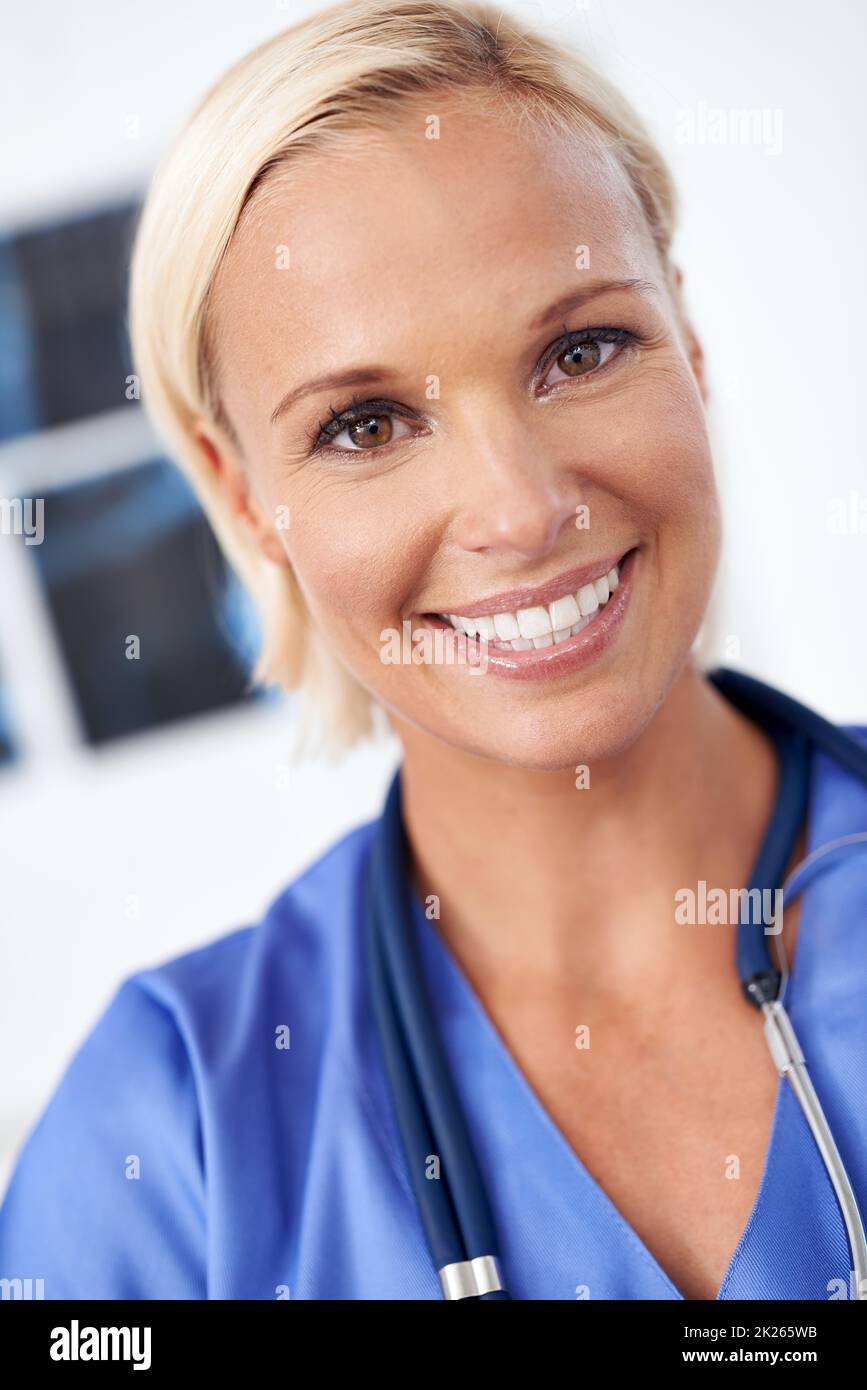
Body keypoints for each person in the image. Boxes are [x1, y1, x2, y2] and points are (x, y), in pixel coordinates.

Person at [1, 0, 865, 1302]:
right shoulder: (170, 1136)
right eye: (364, 424)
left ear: (688, 341)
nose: (520, 510)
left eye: (583, 348)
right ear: (247, 501)